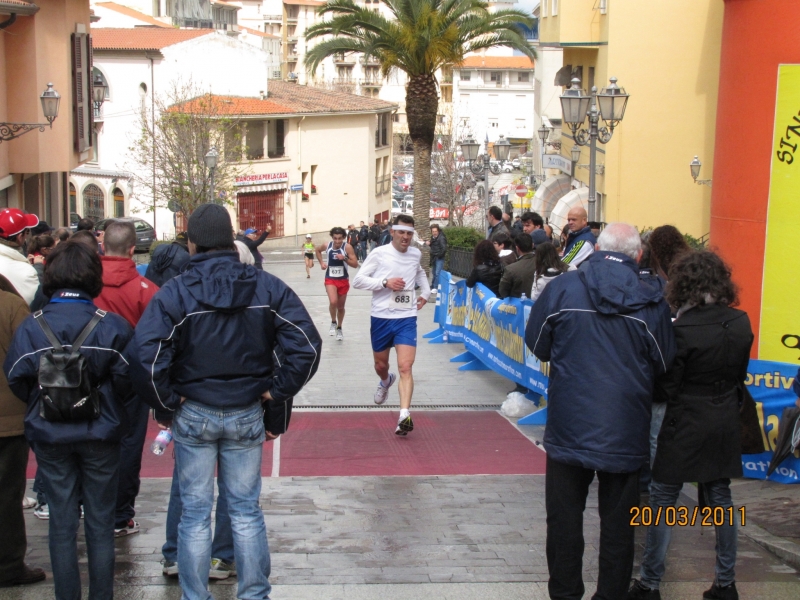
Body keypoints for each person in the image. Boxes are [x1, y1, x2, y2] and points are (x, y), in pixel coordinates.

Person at [129, 203, 321, 600]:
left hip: (195, 410)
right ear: (231, 238)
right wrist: (275, 390)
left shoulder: (176, 292)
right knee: (245, 511)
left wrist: (168, 399)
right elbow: (306, 346)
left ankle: (194, 595)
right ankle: (254, 594)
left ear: (192, 243)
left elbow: (144, 354)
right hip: (246, 409)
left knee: (195, 515)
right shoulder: (265, 286)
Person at [524, 223, 675, 600]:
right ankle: (610, 594)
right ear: (638, 255)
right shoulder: (652, 301)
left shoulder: (562, 288)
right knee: (619, 524)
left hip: (569, 423)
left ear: (594, 248)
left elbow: (538, 343)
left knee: (563, 519)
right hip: (624, 426)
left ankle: (564, 592)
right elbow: (663, 361)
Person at [4, 242, 134, 600]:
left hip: (50, 433)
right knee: (100, 521)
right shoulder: (113, 328)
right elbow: (129, 380)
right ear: (94, 277)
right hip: (101, 432)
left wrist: (43, 400)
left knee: (61, 522)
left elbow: (16, 377)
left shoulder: (32, 328)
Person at [627, 251, 753, 600]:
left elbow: (666, 387)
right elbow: (739, 375)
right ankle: (725, 582)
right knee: (721, 496)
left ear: (683, 285)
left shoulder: (681, 329)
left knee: (664, 498)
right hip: (724, 415)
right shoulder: (741, 321)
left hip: (685, 420)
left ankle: (650, 583)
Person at [93, 220, 160, 538]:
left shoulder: (86, 286)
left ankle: (91, 504)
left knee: (91, 438)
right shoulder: (148, 292)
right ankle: (121, 514)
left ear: (102, 246)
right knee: (130, 442)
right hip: (131, 377)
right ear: (133, 249)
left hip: (89, 375)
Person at [353, 214, 430, 435]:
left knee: (406, 367)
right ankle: (385, 381)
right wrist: (384, 282)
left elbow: (420, 272)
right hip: (381, 318)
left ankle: (404, 415)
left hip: (406, 317)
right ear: (392, 232)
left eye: (409, 233)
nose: (406, 237)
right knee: (381, 366)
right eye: (402, 232)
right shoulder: (379, 253)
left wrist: (425, 292)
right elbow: (358, 280)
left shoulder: (415, 253)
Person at [0, 287, 46, 588]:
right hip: (7, 414)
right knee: (6, 494)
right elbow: (31, 355)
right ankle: (8, 564)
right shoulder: (10, 304)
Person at [316, 227, 359, 341]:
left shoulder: (347, 247)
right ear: (332, 238)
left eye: (340, 238)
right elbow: (317, 250)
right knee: (333, 301)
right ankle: (333, 322)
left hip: (343, 279)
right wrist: (321, 263)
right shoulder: (327, 245)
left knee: (340, 307)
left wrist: (344, 258)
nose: (337, 241)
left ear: (343, 238)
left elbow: (355, 264)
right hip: (330, 278)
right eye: (335, 238)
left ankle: (339, 327)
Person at [0, 208, 40, 306]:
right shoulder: (26, 272)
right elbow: (34, 305)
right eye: (27, 232)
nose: (27, 236)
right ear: (19, 236)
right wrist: (38, 268)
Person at [498, 233, 536, 299]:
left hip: (518, 306)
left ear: (517, 248)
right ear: (532, 245)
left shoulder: (510, 269)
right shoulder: (544, 263)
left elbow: (503, 291)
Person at [424, 224, 447, 290]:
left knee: (437, 273)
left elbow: (444, 248)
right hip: (434, 256)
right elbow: (434, 245)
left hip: (439, 257)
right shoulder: (434, 237)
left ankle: (436, 287)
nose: (434, 233)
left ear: (438, 231)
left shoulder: (441, 238)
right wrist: (428, 242)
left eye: (435, 231)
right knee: (434, 272)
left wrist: (439, 255)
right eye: (433, 231)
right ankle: (433, 285)